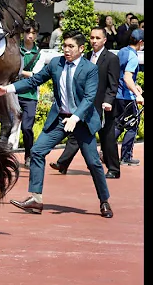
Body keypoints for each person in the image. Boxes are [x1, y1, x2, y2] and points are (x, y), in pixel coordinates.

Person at [0, 29, 113, 219]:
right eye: (64, 45)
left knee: (93, 163)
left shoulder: (90, 69)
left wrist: (75, 118)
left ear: (81, 48)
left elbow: (89, 98)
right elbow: (35, 81)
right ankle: (36, 199)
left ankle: (104, 201)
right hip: (60, 119)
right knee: (38, 151)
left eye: (71, 46)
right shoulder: (56, 63)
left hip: (82, 121)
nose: (66, 49)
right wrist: (7, 89)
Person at [50, 26, 122, 178]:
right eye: (92, 37)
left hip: (103, 105)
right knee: (75, 134)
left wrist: (108, 101)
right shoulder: (86, 56)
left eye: (97, 38)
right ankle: (63, 163)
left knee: (106, 137)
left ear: (104, 40)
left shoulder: (111, 58)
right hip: (85, 104)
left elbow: (113, 83)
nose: (94, 40)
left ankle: (114, 169)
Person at [114, 27, 144, 166]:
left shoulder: (122, 51)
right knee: (132, 126)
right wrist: (138, 94)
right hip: (127, 96)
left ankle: (105, 150)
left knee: (119, 124)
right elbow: (127, 77)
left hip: (117, 95)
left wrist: (135, 84)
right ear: (141, 42)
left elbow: (121, 74)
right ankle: (126, 156)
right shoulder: (133, 56)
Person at [16, 18, 44, 167]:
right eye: (27, 32)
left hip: (30, 96)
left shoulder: (39, 53)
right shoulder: (14, 47)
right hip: (12, 93)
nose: (30, 36)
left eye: (33, 33)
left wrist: (19, 71)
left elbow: (37, 75)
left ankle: (29, 154)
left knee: (27, 127)